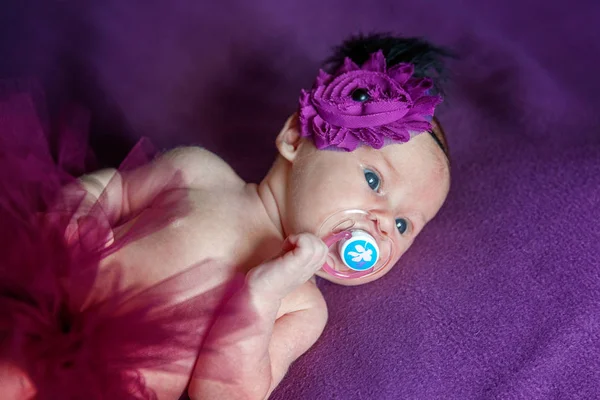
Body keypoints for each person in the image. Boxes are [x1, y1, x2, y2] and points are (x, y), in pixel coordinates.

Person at [0, 33, 452, 399]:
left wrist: (261, 295)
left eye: (403, 224)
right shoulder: (200, 173)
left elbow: (223, 394)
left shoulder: (301, 306)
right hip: (41, 311)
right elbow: (113, 190)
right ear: (296, 137)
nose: (381, 222)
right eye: (374, 182)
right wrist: (76, 214)